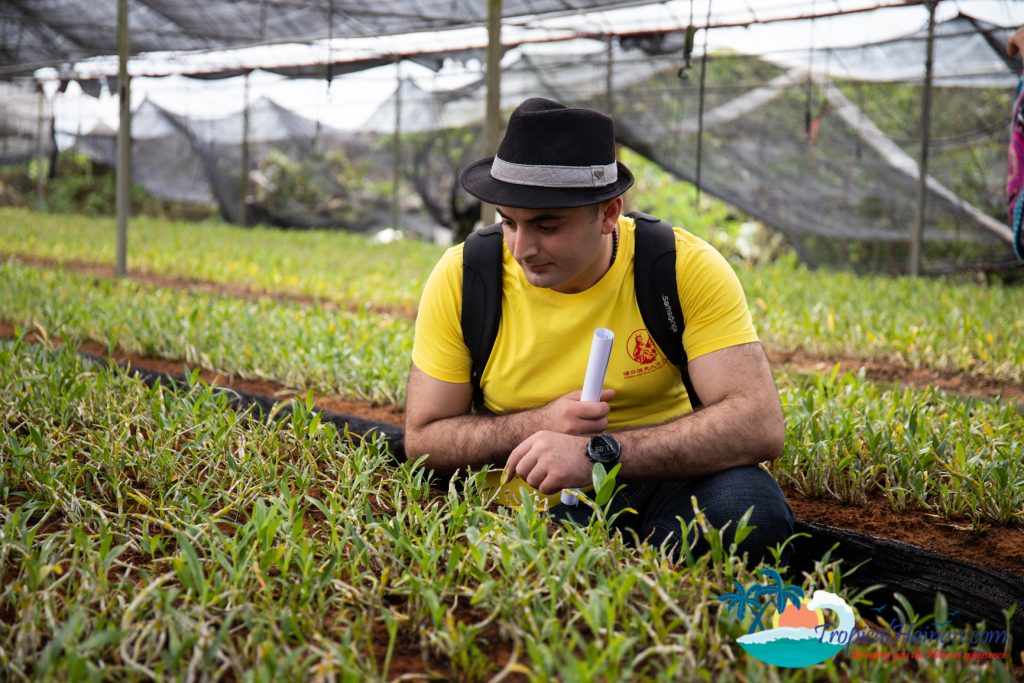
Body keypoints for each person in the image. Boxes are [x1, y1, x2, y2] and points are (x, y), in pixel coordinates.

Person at [404, 97, 794, 564]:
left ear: (609, 213)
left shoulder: (679, 267)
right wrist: (539, 423)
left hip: (655, 483)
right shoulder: (467, 276)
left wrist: (598, 455)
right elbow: (424, 438)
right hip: (525, 507)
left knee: (749, 512)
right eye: (509, 223)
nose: (522, 249)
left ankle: (666, 604)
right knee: (543, 574)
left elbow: (758, 423)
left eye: (546, 225)